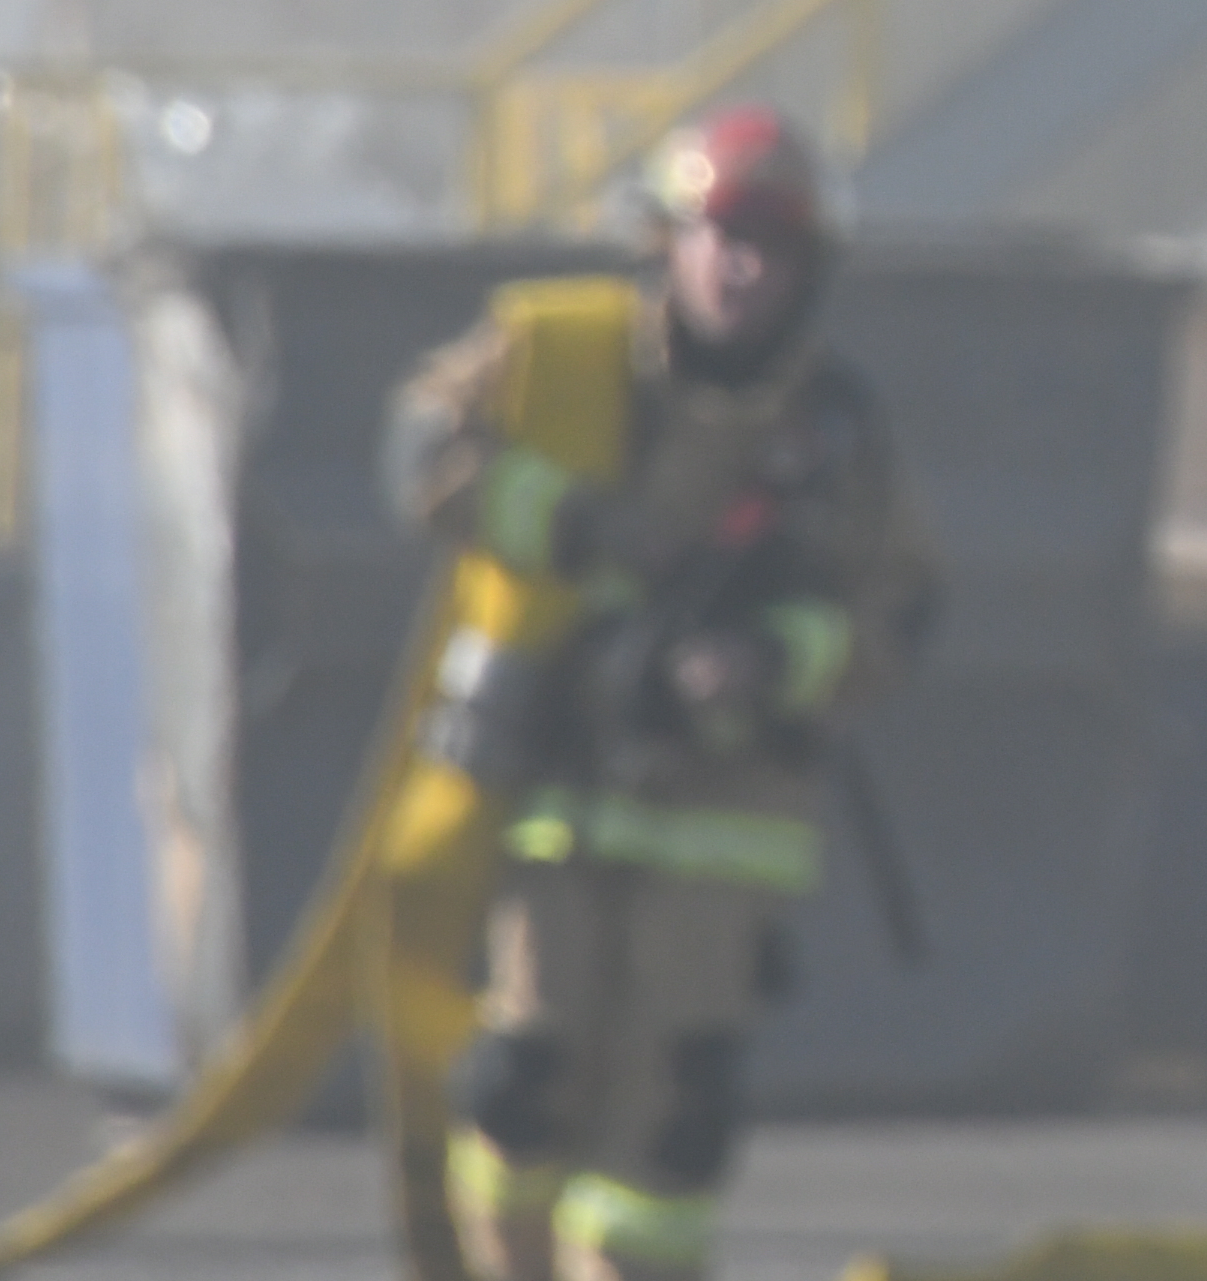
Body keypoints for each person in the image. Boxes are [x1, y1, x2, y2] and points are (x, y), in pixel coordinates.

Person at [386, 105, 935, 1281]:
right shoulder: (561, 359)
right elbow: (423, 453)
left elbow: (902, 609)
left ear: (811, 267)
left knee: (676, 1119)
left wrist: (772, 659)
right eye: (721, 235)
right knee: (522, 1084)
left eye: (774, 246)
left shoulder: (836, 431)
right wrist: (578, 525)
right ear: (666, 240)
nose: (743, 269)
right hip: (555, 791)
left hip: (723, 823)